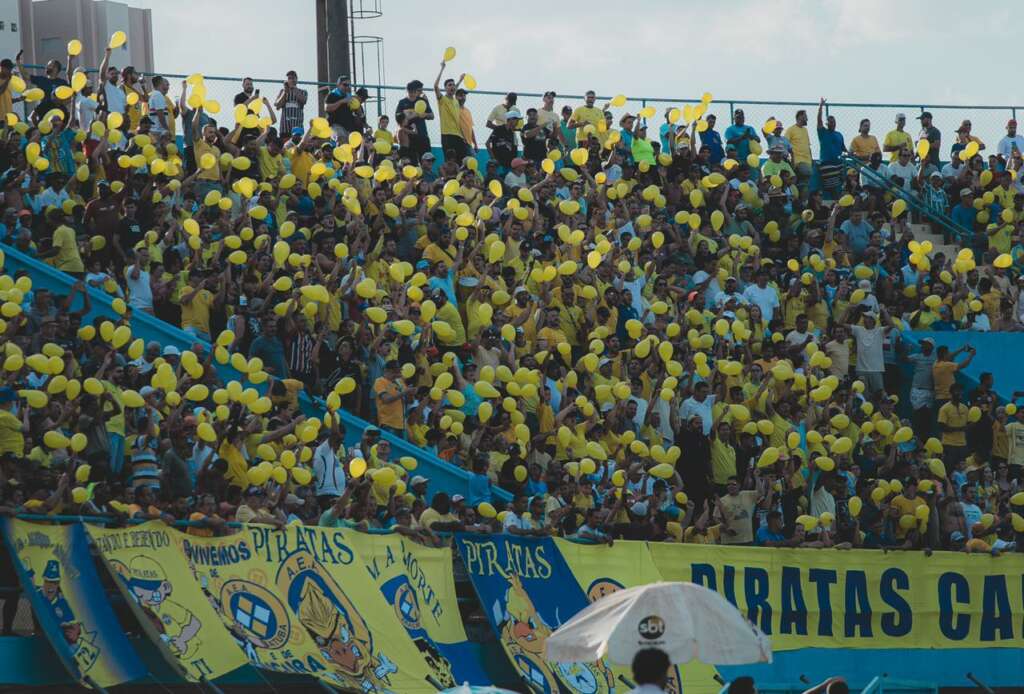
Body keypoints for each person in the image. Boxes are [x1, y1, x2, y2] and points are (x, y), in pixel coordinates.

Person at [275, 70, 307, 135]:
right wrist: (285, 92)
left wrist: (294, 88)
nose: (291, 80)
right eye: (289, 78)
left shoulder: (303, 92)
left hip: (298, 127)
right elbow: (277, 106)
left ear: (296, 79)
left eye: (293, 78)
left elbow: (304, 101)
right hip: (285, 128)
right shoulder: (282, 91)